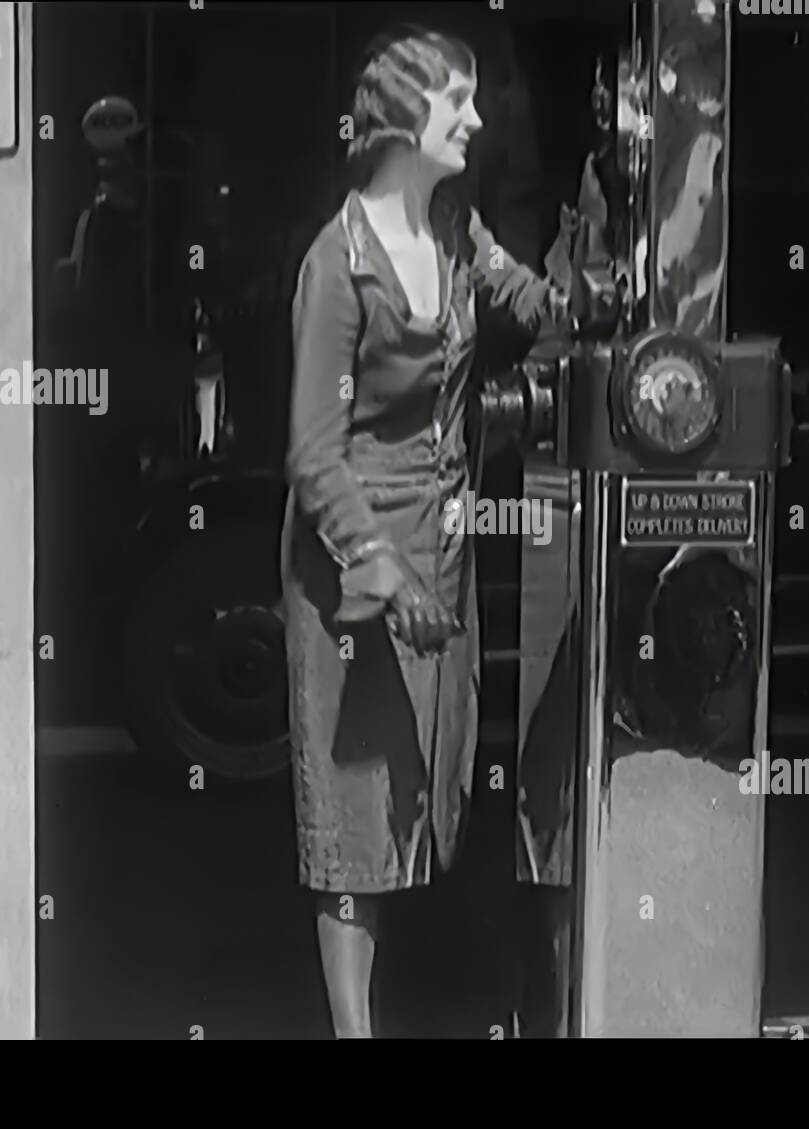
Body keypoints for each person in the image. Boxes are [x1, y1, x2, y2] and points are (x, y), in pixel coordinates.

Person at [280, 24, 569, 1039]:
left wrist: (575, 282)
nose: (477, 121)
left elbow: (524, 304)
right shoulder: (337, 267)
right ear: (407, 122)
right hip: (358, 559)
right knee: (356, 809)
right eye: (460, 104)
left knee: (425, 785)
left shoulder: (453, 228)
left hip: (443, 533)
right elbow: (313, 452)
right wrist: (380, 566)